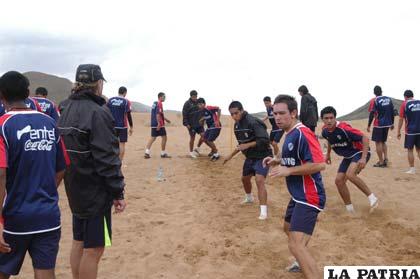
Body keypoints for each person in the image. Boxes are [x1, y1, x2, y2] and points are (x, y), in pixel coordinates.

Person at [58, 64, 126, 279]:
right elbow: (107, 158)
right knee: (95, 249)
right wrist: (118, 192)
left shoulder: (65, 107)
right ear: (98, 83)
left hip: (74, 187)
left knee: (79, 241)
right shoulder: (99, 112)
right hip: (95, 192)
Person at [0, 71, 68, 278]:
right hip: (48, 216)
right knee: (45, 272)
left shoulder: (3, 125)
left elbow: (1, 175)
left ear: (1, 95)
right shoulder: (49, 123)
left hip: (15, 218)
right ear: (28, 93)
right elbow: (62, 166)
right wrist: (45, 191)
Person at [263, 94, 325, 279]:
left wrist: (288, 171)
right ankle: (301, 260)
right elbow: (291, 155)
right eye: (275, 113)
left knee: (295, 245)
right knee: (287, 228)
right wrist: (277, 160)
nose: (278, 117)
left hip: (310, 195)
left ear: (294, 113)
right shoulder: (289, 133)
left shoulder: (303, 133)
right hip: (297, 195)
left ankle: (303, 261)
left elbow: (320, 164)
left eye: (282, 113)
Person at [321, 106, 379, 213]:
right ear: (322, 119)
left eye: (331, 118)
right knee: (338, 181)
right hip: (348, 156)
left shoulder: (344, 128)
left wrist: (363, 158)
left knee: (350, 174)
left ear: (335, 118)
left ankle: (372, 198)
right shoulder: (325, 131)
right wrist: (328, 154)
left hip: (360, 152)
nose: (329, 120)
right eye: (326, 118)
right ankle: (350, 209)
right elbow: (329, 140)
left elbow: (365, 138)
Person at [223, 101, 271, 220]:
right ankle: (249, 197)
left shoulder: (253, 122)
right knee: (244, 179)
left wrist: (248, 145)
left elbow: (265, 140)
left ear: (242, 110)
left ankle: (263, 211)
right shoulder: (237, 125)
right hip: (250, 157)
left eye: (236, 113)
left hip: (263, 155)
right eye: (232, 114)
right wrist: (230, 156)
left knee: (259, 180)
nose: (234, 116)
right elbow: (241, 145)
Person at [367, 85, 394, 167]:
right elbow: (392, 111)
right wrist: (392, 123)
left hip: (378, 124)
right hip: (387, 124)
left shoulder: (374, 100)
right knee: (383, 141)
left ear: (374, 93)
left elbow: (372, 113)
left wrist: (368, 125)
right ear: (382, 91)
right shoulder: (388, 99)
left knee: (378, 142)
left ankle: (381, 162)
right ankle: (386, 158)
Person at [107, 86, 134, 161]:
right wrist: (131, 127)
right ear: (125, 93)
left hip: (111, 126)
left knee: (111, 144)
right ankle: (119, 163)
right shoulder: (126, 102)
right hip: (122, 126)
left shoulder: (110, 100)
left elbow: (106, 112)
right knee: (122, 144)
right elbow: (128, 115)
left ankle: (110, 161)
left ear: (118, 91)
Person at [397, 90, 420, 174]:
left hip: (410, 131)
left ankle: (412, 169)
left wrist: (398, 131)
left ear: (405, 97)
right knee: (419, 150)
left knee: (410, 150)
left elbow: (400, 119)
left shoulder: (405, 104)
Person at [145, 92, 171, 159]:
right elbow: (158, 114)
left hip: (153, 123)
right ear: (160, 97)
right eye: (164, 97)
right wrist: (159, 123)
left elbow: (160, 114)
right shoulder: (159, 103)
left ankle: (147, 152)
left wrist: (166, 120)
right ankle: (163, 153)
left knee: (153, 138)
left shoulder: (155, 103)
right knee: (164, 137)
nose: (165, 98)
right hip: (159, 124)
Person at [182, 90, 204, 158]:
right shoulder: (187, 103)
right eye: (194, 96)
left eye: (196, 96)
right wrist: (186, 124)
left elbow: (202, 111)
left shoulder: (198, 102)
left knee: (204, 136)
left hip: (199, 124)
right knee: (192, 138)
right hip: (191, 125)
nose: (195, 98)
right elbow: (184, 114)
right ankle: (191, 152)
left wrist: (202, 121)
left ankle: (197, 148)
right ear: (191, 96)